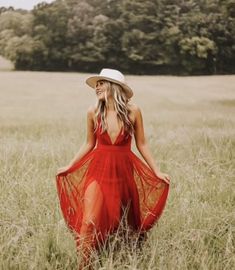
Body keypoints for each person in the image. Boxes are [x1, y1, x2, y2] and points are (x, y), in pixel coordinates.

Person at [56, 68, 170, 268]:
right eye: (96, 84)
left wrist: (156, 171)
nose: (97, 87)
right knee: (89, 220)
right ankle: (84, 265)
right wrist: (70, 165)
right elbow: (88, 143)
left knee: (127, 223)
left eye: (101, 83)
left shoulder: (133, 111)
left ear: (114, 86)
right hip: (98, 170)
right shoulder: (93, 111)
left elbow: (142, 144)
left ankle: (124, 260)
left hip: (124, 171)